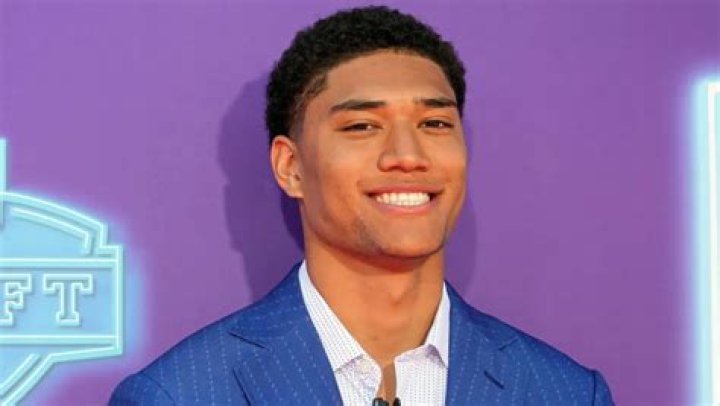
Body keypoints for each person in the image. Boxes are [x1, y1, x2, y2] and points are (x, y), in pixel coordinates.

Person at [111, 6, 614, 405]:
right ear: (291, 167)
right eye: (362, 126)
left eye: (435, 124)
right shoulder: (182, 394)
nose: (408, 155)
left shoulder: (564, 392)